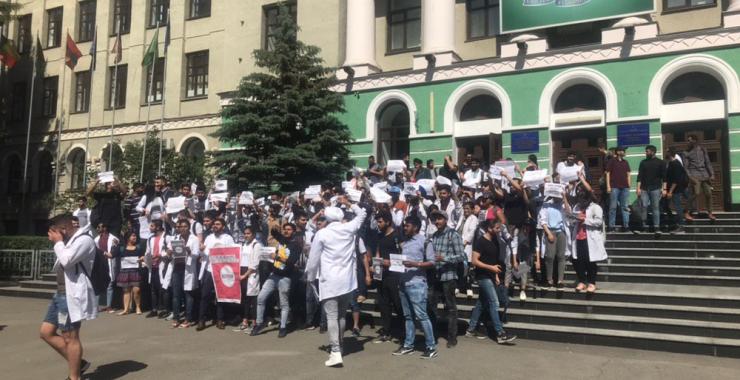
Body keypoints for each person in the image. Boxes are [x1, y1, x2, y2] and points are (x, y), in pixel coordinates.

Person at [305, 196, 367, 367]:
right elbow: (362, 213)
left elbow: (313, 260)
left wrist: (310, 278)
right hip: (347, 281)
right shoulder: (349, 228)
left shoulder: (322, 233)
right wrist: (349, 204)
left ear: (326, 218)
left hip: (330, 281)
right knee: (340, 315)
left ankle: (335, 351)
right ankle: (339, 345)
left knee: (332, 316)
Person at [40, 214, 97, 380]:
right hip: (60, 294)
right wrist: (60, 242)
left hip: (71, 296)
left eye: (56, 232)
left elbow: (67, 260)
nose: (52, 236)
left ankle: (74, 377)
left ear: (63, 230)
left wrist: (58, 242)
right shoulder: (70, 241)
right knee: (46, 332)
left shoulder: (84, 240)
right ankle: (79, 363)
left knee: (70, 337)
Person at [465, 220, 517, 344]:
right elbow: (474, 261)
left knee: (481, 303)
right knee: (494, 302)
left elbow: (493, 261)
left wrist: (496, 276)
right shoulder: (480, 242)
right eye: (497, 228)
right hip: (482, 276)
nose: (499, 231)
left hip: (491, 276)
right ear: (489, 228)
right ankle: (500, 333)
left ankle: (471, 330)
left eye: (500, 228)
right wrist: (491, 269)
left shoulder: (495, 241)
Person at [393, 215, 438, 359]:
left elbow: (432, 262)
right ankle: (408, 345)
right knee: (408, 317)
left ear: (416, 227)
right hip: (403, 283)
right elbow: (401, 263)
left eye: (407, 226)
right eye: (404, 226)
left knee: (422, 316)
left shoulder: (424, 242)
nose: (404, 228)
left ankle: (431, 347)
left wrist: (416, 264)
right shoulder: (404, 242)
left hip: (417, 284)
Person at [251, 222, 302, 338]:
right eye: (285, 229)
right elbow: (274, 233)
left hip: (285, 277)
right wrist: (275, 228)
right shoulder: (283, 240)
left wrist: (277, 257)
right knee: (261, 298)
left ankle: (283, 327)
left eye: (289, 229)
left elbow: (291, 262)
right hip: (273, 275)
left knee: (283, 303)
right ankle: (259, 323)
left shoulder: (296, 246)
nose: (286, 231)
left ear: (294, 231)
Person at [429, 209, 466, 348]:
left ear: (445, 219)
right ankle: (432, 334)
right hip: (436, 275)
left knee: (450, 307)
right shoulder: (435, 235)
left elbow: (461, 256)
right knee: (431, 306)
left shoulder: (453, 235)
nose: (437, 221)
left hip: (449, 276)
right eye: (435, 219)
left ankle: (452, 337)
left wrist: (444, 258)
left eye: (439, 219)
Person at [566, 184, 607, 294]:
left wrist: (585, 220)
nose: (580, 195)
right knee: (577, 260)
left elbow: (599, 222)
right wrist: (575, 219)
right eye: (578, 192)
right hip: (578, 237)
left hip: (590, 238)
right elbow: (570, 220)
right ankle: (582, 281)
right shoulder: (576, 207)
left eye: (582, 192)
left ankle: (592, 282)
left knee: (590, 261)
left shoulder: (595, 207)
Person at [197, 217, 235, 331]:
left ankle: (220, 319)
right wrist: (202, 250)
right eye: (214, 224)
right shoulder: (208, 238)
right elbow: (203, 255)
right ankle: (201, 320)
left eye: (217, 224)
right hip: (209, 270)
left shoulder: (228, 238)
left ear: (223, 226)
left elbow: (232, 252)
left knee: (220, 297)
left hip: (222, 271)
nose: (214, 226)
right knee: (205, 296)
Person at [372, 210, 404, 344]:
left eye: (380, 222)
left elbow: (404, 256)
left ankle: (403, 333)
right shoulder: (379, 236)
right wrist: (376, 263)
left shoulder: (398, 236)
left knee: (398, 304)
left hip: (395, 275)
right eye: (377, 221)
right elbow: (378, 251)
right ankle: (386, 331)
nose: (378, 224)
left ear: (388, 222)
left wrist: (389, 263)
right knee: (383, 304)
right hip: (381, 275)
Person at [167, 219, 201, 328]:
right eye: (180, 226)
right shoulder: (175, 239)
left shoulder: (194, 239)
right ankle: (176, 318)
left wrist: (189, 250)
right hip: (177, 268)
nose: (182, 228)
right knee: (176, 295)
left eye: (185, 226)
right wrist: (169, 252)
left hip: (188, 269)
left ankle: (188, 318)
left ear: (189, 227)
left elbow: (196, 255)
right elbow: (167, 253)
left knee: (188, 294)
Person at [235, 226, 262, 333]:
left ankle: (254, 322)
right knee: (245, 299)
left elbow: (255, 264)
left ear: (253, 234)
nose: (246, 235)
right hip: (242, 272)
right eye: (245, 233)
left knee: (253, 299)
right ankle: (245, 320)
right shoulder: (243, 245)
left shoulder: (257, 245)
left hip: (250, 274)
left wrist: (244, 275)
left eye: (248, 233)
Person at [636, 145, 666, 237]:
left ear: (653, 152)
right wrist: (638, 188)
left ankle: (657, 228)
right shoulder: (643, 162)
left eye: (647, 151)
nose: (645, 153)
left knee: (655, 208)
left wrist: (664, 189)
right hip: (644, 188)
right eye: (646, 151)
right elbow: (639, 176)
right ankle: (644, 227)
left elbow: (664, 177)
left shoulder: (661, 162)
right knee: (644, 206)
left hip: (656, 188)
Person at [539, 193, 568, 289]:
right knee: (550, 256)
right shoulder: (546, 204)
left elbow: (569, 212)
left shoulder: (563, 204)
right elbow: (542, 221)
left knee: (561, 256)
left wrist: (564, 197)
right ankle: (549, 280)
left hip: (561, 232)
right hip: (550, 231)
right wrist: (548, 233)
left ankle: (560, 280)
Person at [684, 134, 716, 221]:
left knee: (709, 194)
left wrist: (712, 174)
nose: (688, 142)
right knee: (696, 194)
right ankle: (686, 212)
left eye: (689, 140)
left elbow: (708, 162)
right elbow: (686, 168)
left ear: (695, 141)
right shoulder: (686, 152)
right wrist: (690, 177)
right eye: (688, 140)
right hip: (694, 176)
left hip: (705, 175)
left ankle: (710, 213)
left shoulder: (702, 149)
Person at [145, 220, 170, 318]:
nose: (150, 228)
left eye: (152, 226)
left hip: (163, 266)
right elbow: (147, 251)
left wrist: (161, 255)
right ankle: (154, 309)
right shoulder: (150, 239)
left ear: (158, 227)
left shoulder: (166, 237)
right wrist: (146, 259)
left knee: (163, 288)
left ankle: (165, 309)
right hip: (153, 266)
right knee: (153, 289)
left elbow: (170, 251)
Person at [116, 232, 144, 315]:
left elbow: (143, 256)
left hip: (135, 271)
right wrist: (104, 253)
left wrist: (142, 258)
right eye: (133, 236)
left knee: (137, 290)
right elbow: (112, 254)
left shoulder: (139, 247)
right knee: (126, 291)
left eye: (135, 236)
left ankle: (138, 307)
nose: (135, 237)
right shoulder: (121, 248)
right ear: (128, 237)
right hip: (125, 271)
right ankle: (126, 309)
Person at [605, 146, 631, 232]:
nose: (624, 152)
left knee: (625, 207)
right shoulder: (612, 161)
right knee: (613, 207)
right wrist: (608, 186)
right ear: (618, 152)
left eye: (624, 151)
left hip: (624, 188)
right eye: (623, 151)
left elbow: (628, 173)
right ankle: (611, 226)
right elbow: (608, 173)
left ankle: (626, 226)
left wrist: (629, 184)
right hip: (614, 187)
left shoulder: (625, 162)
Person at [94, 223, 119, 312]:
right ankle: (96, 307)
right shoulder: (96, 239)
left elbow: (112, 254)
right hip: (99, 264)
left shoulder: (114, 239)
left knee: (109, 285)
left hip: (109, 264)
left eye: (99, 227)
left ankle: (108, 306)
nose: (97, 228)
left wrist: (102, 252)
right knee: (97, 285)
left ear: (105, 228)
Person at [666, 147, 691, 234]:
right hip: (677, 188)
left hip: (676, 190)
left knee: (678, 207)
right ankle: (676, 222)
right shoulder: (672, 163)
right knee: (669, 205)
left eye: (667, 151)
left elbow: (675, 180)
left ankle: (681, 227)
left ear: (670, 153)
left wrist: (670, 191)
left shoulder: (675, 164)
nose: (666, 153)